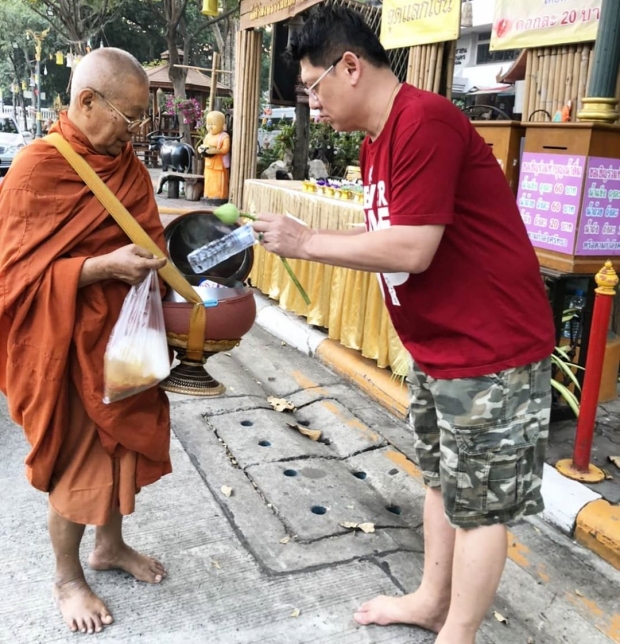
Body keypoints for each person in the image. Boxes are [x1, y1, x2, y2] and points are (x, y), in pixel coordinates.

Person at [252, 6, 555, 644]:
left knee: (481, 507)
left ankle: (459, 633)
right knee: (443, 482)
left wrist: (308, 242)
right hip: (442, 348)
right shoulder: (378, 141)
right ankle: (429, 599)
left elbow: (412, 248)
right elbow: (387, 237)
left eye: (312, 86)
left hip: (490, 350)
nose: (313, 103)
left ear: (351, 67)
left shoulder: (426, 122)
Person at [0, 48, 171, 635]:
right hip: (64, 348)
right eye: (130, 118)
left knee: (119, 450)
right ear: (87, 101)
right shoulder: (34, 172)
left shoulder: (126, 166)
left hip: (122, 345)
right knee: (78, 465)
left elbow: (147, 237)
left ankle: (110, 547)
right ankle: (68, 577)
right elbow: (12, 281)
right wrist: (98, 269)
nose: (135, 133)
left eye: (141, 120)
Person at [197, 109, 230, 200]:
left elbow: (225, 149)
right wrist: (200, 149)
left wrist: (215, 151)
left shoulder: (224, 136)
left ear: (222, 125)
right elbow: (203, 145)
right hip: (208, 164)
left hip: (219, 165)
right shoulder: (208, 136)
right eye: (208, 124)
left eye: (213, 124)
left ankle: (219, 195)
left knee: (218, 181)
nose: (210, 127)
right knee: (208, 179)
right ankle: (207, 194)